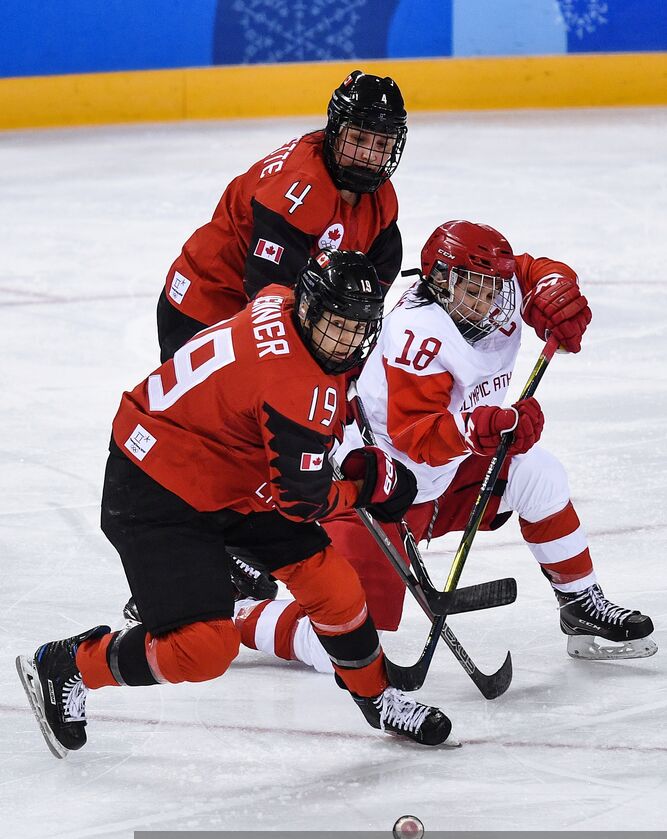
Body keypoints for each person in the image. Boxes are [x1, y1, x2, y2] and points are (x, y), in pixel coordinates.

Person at [16, 251, 455, 760]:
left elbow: (287, 412)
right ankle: (69, 664)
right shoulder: (294, 385)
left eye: (358, 327)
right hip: (156, 485)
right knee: (203, 650)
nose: (347, 341)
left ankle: (377, 697)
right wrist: (366, 490)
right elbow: (303, 501)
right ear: (311, 309)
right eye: (336, 325)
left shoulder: (281, 301)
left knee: (331, 582)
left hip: (225, 470)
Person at [233, 221, 656, 673]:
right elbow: (418, 438)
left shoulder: (493, 292)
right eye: (474, 291)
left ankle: (581, 607)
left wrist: (556, 290)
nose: (489, 301)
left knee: (538, 474)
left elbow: (532, 272)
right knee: (340, 648)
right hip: (375, 491)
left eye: (494, 289)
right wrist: (487, 427)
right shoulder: (418, 335)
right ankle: (233, 613)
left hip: (447, 478)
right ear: (440, 281)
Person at [157, 69, 407, 363]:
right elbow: (268, 291)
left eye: (381, 144)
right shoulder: (296, 188)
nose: (369, 155)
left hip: (254, 306)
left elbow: (379, 270)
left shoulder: (381, 199)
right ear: (336, 130)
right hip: (206, 305)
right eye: (359, 138)